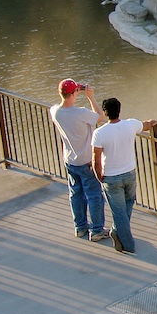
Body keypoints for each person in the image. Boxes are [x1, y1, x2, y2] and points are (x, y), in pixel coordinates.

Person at [91, 97, 157, 255]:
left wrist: (99, 176)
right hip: (129, 173)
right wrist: (154, 122)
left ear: (105, 113)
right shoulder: (131, 124)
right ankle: (121, 235)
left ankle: (126, 245)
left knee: (118, 211)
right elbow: (147, 125)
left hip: (111, 177)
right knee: (128, 202)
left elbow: (96, 159)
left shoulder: (99, 133)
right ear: (119, 110)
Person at [50, 78, 108, 241]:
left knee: (76, 194)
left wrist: (76, 90)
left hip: (70, 160)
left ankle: (80, 227)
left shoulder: (55, 111)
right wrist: (90, 96)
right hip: (87, 161)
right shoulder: (81, 113)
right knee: (94, 195)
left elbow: (62, 103)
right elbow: (99, 117)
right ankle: (97, 230)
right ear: (74, 93)